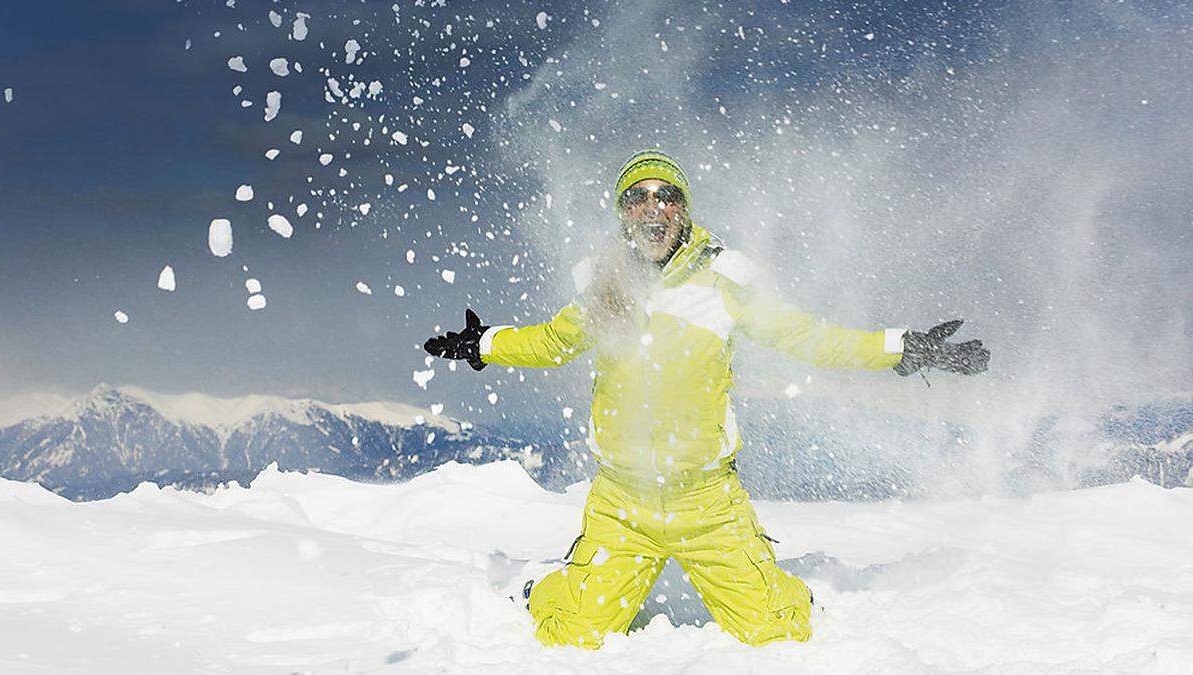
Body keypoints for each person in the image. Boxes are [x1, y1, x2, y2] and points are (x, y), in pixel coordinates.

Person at [424, 150, 989, 648]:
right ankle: (544, 587)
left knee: (779, 633)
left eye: (665, 197)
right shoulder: (605, 289)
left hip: (708, 504)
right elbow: (551, 342)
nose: (652, 209)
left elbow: (810, 338)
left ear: (683, 210)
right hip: (622, 505)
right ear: (623, 216)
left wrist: (902, 349)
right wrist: (486, 343)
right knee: (572, 634)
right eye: (637, 199)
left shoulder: (724, 286)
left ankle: (770, 585)